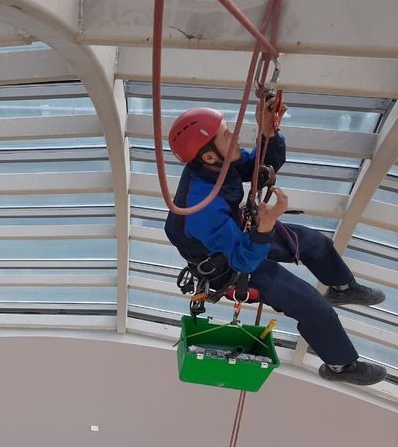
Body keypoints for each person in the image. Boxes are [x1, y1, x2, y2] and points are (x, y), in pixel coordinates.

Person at [164, 101, 387, 385]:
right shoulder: (201, 207)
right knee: (312, 306)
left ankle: (342, 287)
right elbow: (243, 261)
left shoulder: (216, 165)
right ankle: (341, 365)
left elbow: (259, 168)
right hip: (232, 267)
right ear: (208, 157)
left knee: (315, 243)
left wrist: (269, 133)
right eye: (225, 136)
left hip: (239, 236)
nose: (234, 137)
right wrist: (265, 228)